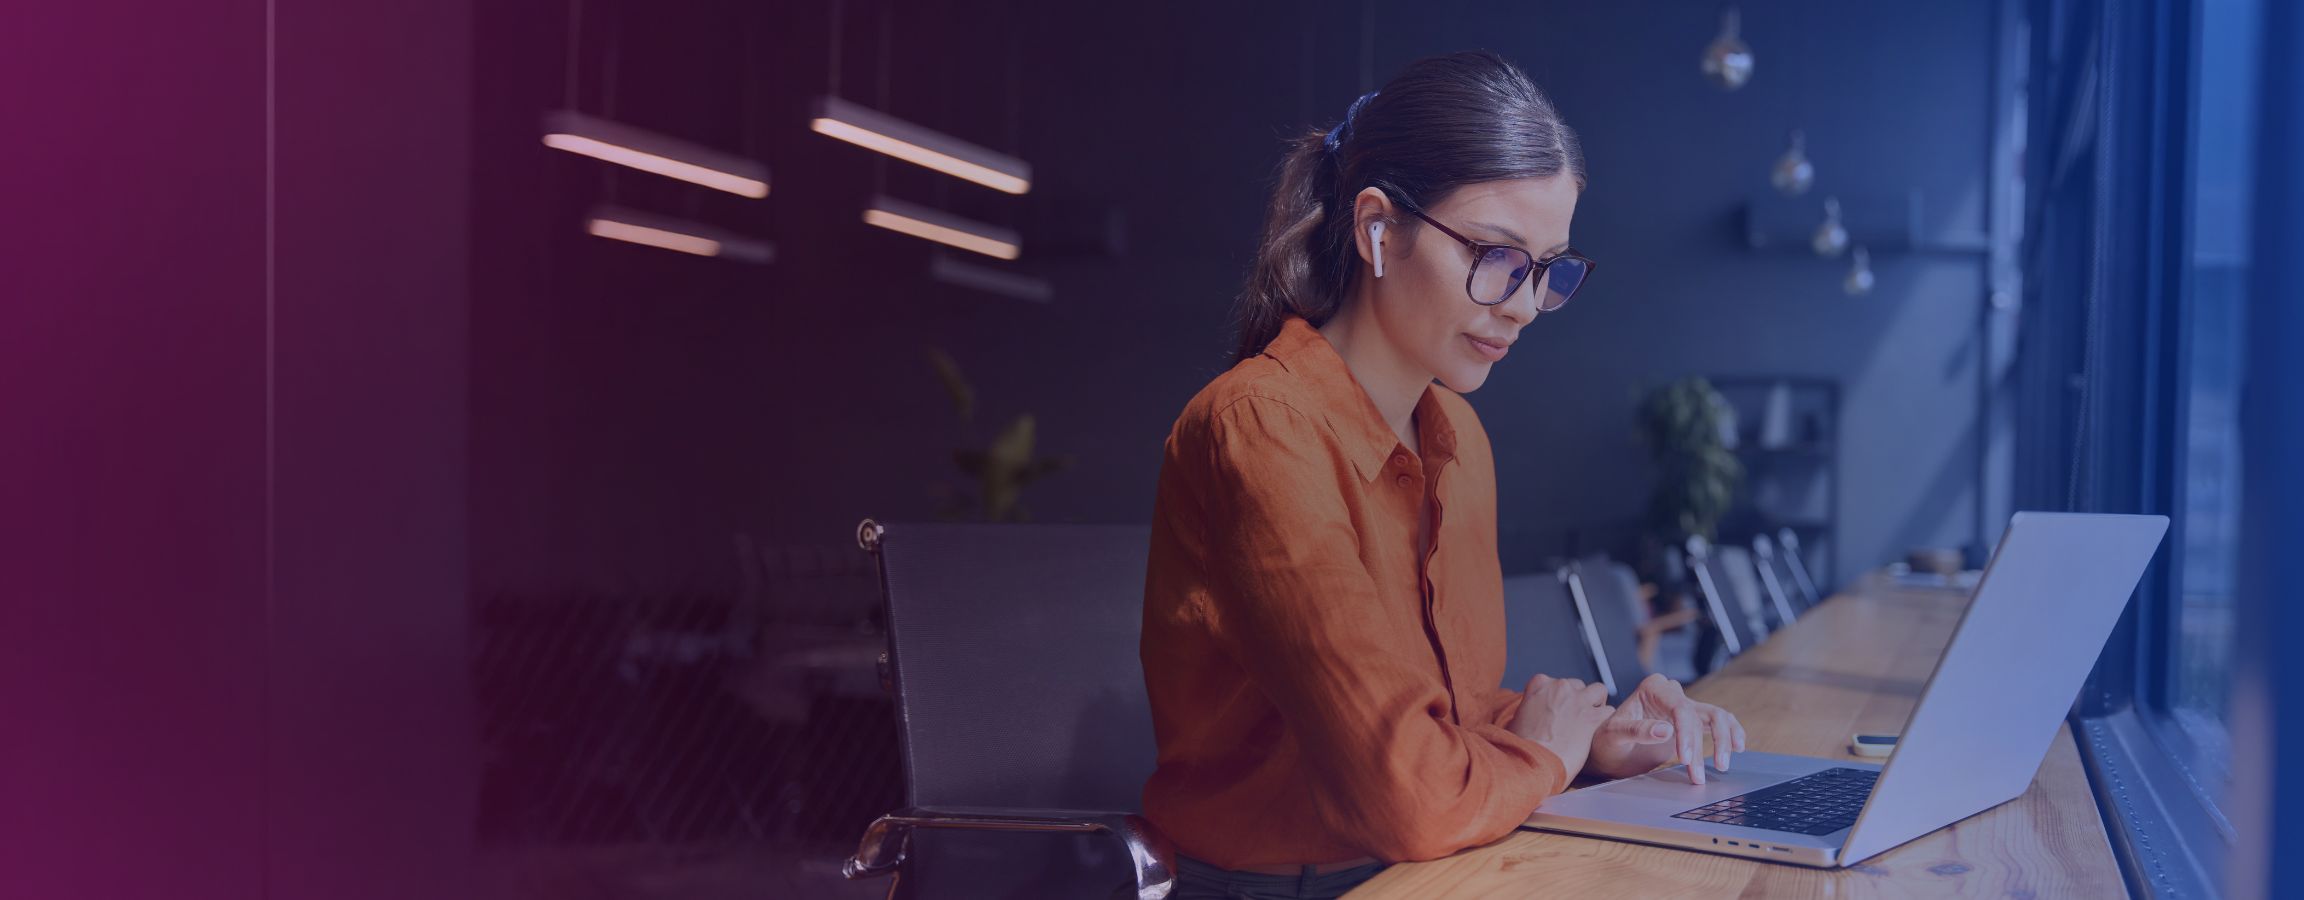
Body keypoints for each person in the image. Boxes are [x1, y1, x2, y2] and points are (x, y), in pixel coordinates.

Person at [1138, 50, 1746, 899]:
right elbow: (1409, 795)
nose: (1524, 305)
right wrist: (1543, 753)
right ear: (1378, 229)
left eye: (1549, 269)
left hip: (1439, 866)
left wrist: (1593, 740)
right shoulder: (1260, 428)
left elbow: (1445, 716)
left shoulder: (1456, 433)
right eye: (1496, 255)